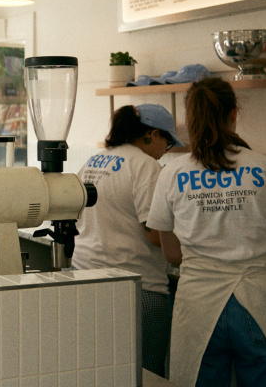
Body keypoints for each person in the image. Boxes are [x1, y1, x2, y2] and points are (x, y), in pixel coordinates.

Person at [147, 77, 266, 387]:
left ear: (189, 120)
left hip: (198, 306)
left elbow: (172, 254)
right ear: (234, 113)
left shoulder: (172, 174)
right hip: (259, 301)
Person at [72, 103, 182, 378]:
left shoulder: (92, 162)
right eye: (167, 144)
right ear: (152, 135)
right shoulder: (145, 167)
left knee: (98, 371)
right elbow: (154, 233)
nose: (165, 152)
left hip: (85, 279)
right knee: (146, 375)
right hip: (137, 287)